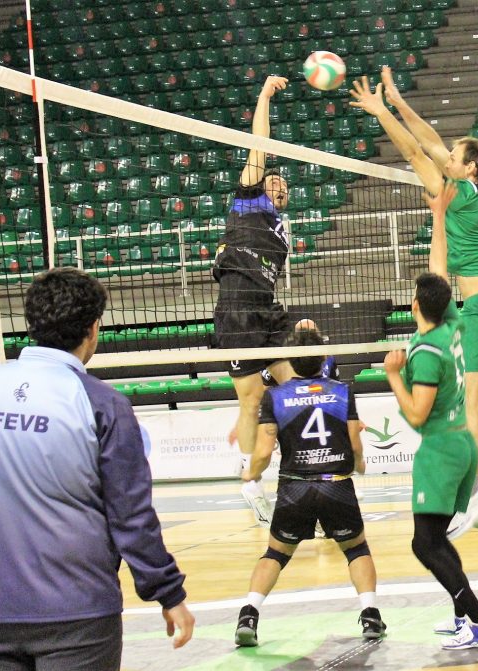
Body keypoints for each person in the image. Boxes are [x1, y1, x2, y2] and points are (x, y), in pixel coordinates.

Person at [0, 267, 195, 670]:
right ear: (93, 328)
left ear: (32, 324)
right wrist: (168, 593)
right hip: (76, 614)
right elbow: (130, 515)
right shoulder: (102, 404)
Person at [351, 68, 478, 538]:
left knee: (472, 403)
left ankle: (470, 500)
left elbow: (414, 150)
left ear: (467, 168)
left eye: (454, 156)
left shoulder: (452, 194)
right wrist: (400, 102)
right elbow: (430, 141)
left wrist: (380, 111)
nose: (445, 156)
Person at [382, 181, 478, 649]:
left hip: (441, 448)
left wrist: (393, 376)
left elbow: (415, 415)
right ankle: (461, 618)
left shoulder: (425, 351)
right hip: (463, 444)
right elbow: (439, 271)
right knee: (439, 539)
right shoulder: (452, 323)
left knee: (424, 543)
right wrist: (437, 216)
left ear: (414, 307)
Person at [235, 327, 385, 646]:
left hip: (295, 487)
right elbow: (355, 442)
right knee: (356, 549)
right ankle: (370, 614)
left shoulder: (275, 396)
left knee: (275, 553)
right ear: (323, 360)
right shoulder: (342, 391)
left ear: (289, 360)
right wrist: (359, 464)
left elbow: (263, 451)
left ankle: (249, 614)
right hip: (336, 484)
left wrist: (252, 474)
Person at [212, 75, 292, 527]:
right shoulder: (246, 202)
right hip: (238, 307)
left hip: (269, 308)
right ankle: (250, 481)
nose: (277, 184)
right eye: (272, 178)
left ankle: (296, 461)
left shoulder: (280, 225)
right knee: (251, 398)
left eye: (282, 183)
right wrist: (264, 96)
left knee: (301, 375)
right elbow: (258, 145)